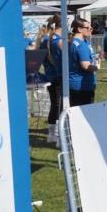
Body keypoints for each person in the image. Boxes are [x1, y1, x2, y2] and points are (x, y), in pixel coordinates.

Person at [41, 15, 63, 145]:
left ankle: (52, 135)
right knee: (60, 106)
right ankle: (59, 137)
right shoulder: (55, 40)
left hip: (50, 76)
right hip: (57, 76)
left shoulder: (46, 39)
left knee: (55, 105)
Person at [68, 18, 98, 106]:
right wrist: (97, 67)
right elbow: (85, 66)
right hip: (82, 86)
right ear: (80, 29)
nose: (90, 29)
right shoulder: (80, 45)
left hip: (80, 85)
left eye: (91, 27)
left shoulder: (80, 42)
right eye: (88, 28)